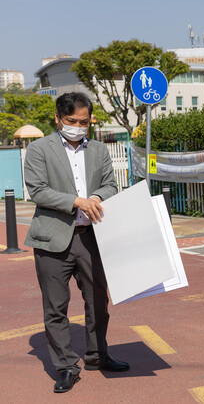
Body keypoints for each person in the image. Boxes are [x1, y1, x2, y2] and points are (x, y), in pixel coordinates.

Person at [24, 92, 129, 394]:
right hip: (52, 239)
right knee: (55, 308)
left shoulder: (98, 149)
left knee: (98, 302)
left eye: (84, 122)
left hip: (92, 238)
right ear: (58, 118)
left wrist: (95, 197)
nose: (78, 127)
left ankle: (98, 355)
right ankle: (66, 366)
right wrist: (77, 201)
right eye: (72, 121)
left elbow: (110, 184)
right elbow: (38, 190)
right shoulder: (39, 149)